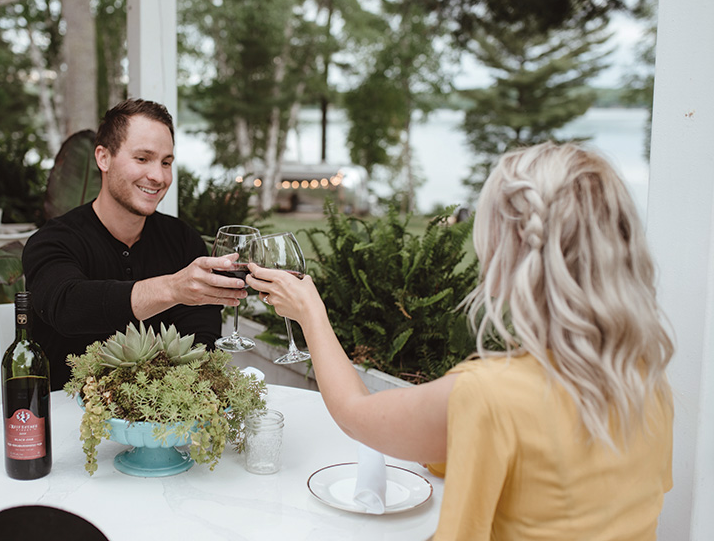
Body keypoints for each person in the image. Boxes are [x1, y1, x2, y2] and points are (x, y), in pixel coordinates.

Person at [248, 142, 674, 540]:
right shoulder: (645, 379)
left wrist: (310, 314)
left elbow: (355, 414)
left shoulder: (489, 395)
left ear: (508, 250)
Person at [23, 98, 247, 390]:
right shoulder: (53, 241)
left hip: (161, 416)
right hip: (68, 418)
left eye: (166, 162)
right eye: (142, 159)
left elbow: (201, 341)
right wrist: (172, 288)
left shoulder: (183, 240)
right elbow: (68, 305)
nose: (158, 176)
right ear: (103, 158)